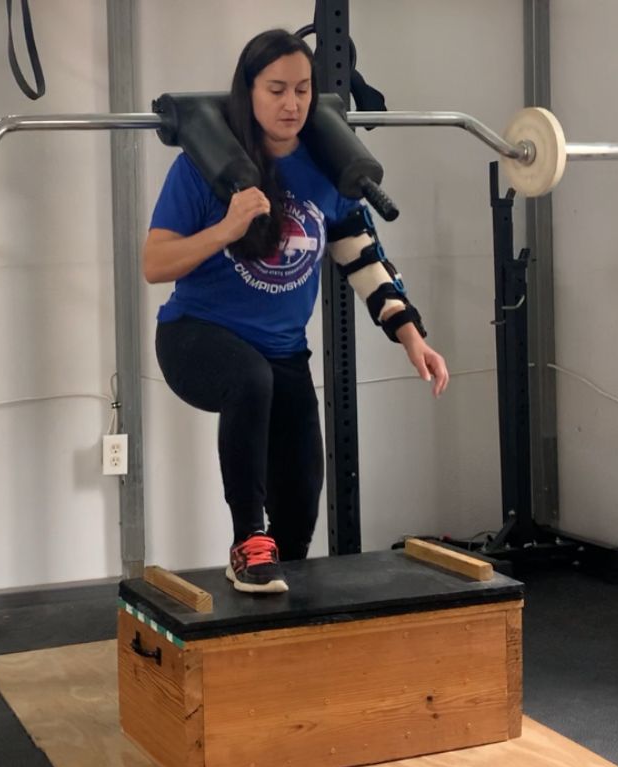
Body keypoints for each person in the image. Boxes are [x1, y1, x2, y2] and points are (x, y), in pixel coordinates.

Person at [143, 29, 449, 595]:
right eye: (276, 89)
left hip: (283, 352)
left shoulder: (327, 169)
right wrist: (227, 228)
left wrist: (411, 336)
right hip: (195, 338)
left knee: (303, 500)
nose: (292, 104)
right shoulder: (201, 167)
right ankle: (246, 542)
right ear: (248, 93)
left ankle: (269, 590)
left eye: (303, 90)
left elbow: (363, 258)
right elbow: (154, 264)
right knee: (250, 380)